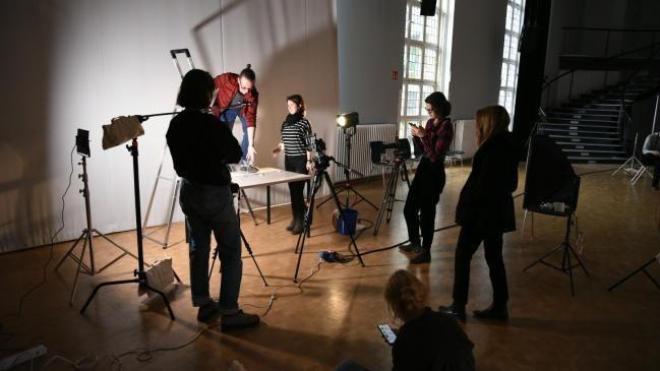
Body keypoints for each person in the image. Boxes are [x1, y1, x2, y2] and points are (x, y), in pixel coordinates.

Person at [167, 69, 260, 331]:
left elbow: (179, 165)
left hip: (190, 193)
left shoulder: (175, 125)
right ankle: (230, 312)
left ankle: (204, 303)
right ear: (206, 94)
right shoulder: (210, 124)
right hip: (214, 195)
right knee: (230, 252)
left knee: (199, 249)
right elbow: (232, 153)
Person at [439, 105, 519, 322]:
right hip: (497, 213)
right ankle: (500, 307)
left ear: (488, 123)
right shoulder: (507, 145)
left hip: (481, 215)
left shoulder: (492, 148)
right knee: (494, 259)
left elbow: (481, 187)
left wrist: (466, 211)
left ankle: (458, 306)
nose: (476, 128)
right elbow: (511, 183)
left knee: (463, 256)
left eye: (479, 123)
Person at [336, 270, 475, 371]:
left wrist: (403, 340)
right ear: (420, 292)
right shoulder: (449, 321)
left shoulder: (404, 341)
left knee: (346, 367)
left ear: (394, 308)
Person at [399, 92, 453, 264]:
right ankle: (415, 243)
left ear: (439, 107)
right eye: (426, 107)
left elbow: (435, 156)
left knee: (427, 215)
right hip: (423, 169)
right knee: (409, 209)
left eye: (430, 107)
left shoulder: (446, 126)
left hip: (435, 172)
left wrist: (424, 137)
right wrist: (417, 138)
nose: (428, 110)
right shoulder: (430, 123)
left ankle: (426, 251)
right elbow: (423, 151)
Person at [272, 94, 313, 234]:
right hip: (288, 160)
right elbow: (284, 141)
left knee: (298, 192)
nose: (289, 107)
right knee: (292, 192)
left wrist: (309, 161)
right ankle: (295, 219)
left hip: (300, 160)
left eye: (292, 105)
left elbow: (309, 143)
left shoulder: (304, 123)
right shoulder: (285, 122)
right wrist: (278, 149)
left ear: (299, 105)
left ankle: (301, 222)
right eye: (287, 105)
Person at [211, 64, 259, 165]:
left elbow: (251, 120)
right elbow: (209, 84)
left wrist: (251, 145)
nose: (246, 91)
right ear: (238, 80)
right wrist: (211, 104)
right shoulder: (227, 79)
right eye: (244, 87)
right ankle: (224, 164)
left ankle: (244, 163)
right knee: (224, 136)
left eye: (249, 89)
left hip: (242, 109)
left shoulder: (253, 95)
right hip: (227, 108)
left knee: (248, 132)